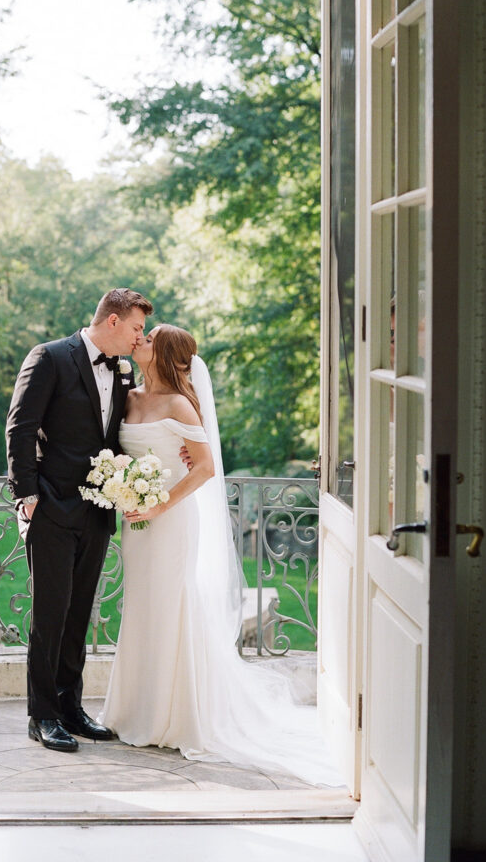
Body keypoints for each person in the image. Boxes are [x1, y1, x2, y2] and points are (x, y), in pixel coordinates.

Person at [99, 323, 343, 786]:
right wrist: (123, 491)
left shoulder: (180, 405)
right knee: (142, 609)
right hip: (136, 524)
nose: (141, 341)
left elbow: (206, 467)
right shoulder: (128, 397)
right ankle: (134, 710)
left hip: (171, 520)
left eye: (149, 339)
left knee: (174, 604)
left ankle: (177, 715)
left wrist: (160, 502)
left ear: (166, 355)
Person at [6, 288, 154, 753]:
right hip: (50, 506)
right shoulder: (49, 357)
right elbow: (20, 426)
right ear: (112, 322)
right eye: (136, 328)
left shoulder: (124, 370)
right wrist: (27, 495)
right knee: (50, 615)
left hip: (98, 510)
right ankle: (43, 715)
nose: (139, 337)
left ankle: (72, 707)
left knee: (78, 616)